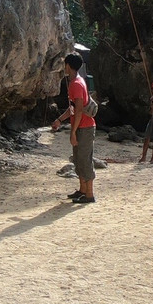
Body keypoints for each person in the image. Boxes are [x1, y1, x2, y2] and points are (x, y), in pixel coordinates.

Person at [50, 53, 96, 204]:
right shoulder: (77, 81)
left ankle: (89, 194)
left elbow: (78, 111)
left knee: (84, 160)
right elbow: (72, 108)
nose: (64, 67)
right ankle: (82, 190)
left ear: (68, 66)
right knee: (78, 159)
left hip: (84, 128)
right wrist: (59, 120)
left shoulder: (76, 84)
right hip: (82, 127)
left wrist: (73, 132)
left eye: (65, 65)